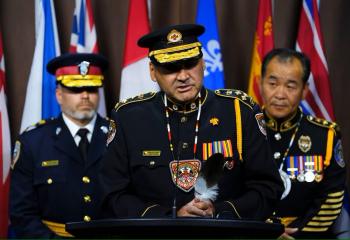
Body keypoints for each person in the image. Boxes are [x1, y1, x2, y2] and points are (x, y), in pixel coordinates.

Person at [100, 24, 283, 220]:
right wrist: (168, 217)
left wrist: (219, 211)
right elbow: (112, 194)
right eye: (170, 68)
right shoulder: (128, 117)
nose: (183, 76)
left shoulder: (240, 111)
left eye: (190, 63)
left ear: (203, 62)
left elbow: (267, 187)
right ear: (153, 71)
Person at [9, 53, 110, 238]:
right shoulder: (32, 142)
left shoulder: (118, 136)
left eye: (92, 88)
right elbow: (22, 213)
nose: (85, 96)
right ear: (59, 95)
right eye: (76, 89)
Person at [259, 48, 346, 239]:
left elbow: (332, 196)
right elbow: (231, 188)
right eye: (272, 83)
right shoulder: (244, 129)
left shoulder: (325, 135)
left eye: (290, 86)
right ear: (260, 83)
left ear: (304, 90)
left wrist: (298, 234)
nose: (280, 94)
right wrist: (260, 230)